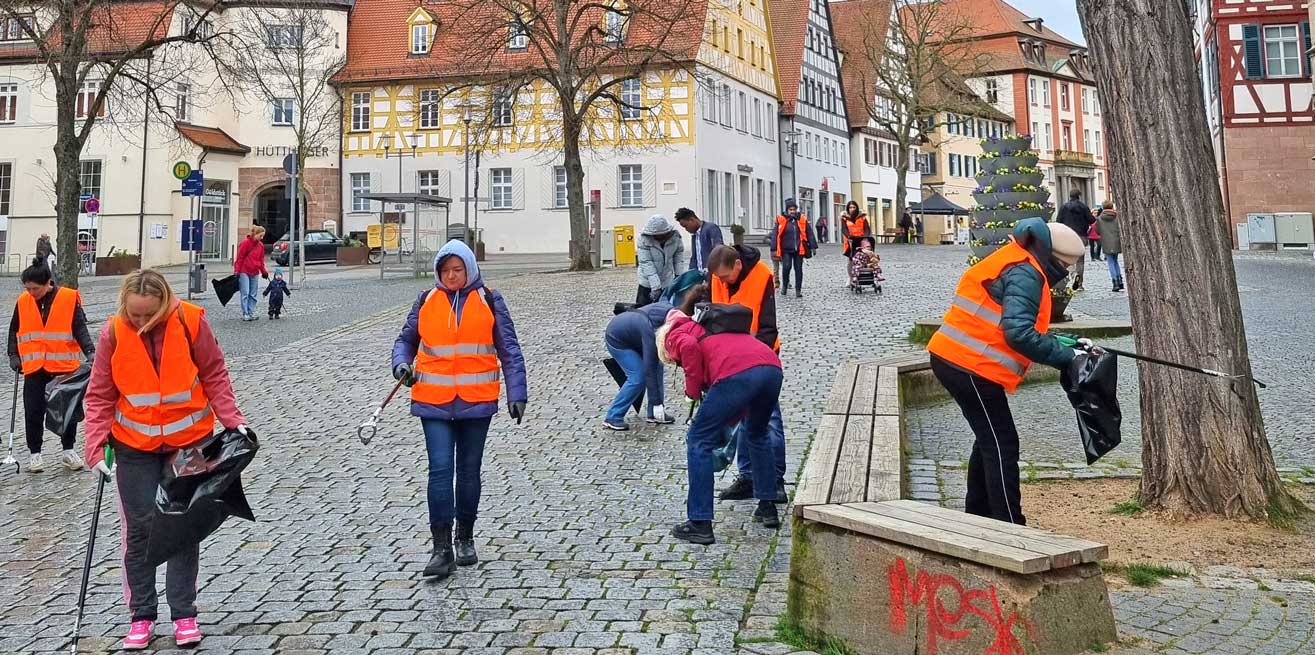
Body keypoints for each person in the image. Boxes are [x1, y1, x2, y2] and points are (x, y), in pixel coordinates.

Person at [83, 269, 249, 650]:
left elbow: (214, 374)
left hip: (188, 442)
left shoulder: (192, 321)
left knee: (181, 527)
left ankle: (184, 613)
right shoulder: (112, 332)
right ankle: (141, 615)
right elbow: (100, 394)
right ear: (125, 304)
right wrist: (95, 447)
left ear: (165, 304)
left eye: (149, 315)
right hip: (133, 446)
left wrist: (233, 421)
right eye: (135, 314)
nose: (141, 322)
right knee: (140, 530)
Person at [926, 219, 1086, 525]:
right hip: (969, 364)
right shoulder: (1027, 272)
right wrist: (1067, 358)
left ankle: (978, 514)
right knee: (1002, 442)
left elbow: (1013, 321)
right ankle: (1009, 524)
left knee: (987, 438)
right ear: (1054, 258)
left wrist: (1063, 343)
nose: (1065, 274)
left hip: (958, 358)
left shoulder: (1018, 258)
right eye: (1066, 266)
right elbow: (1019, 333)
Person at [391, 240, 527, 580]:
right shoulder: (425, 300)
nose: (452, 276)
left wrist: (517, 392)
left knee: (468, 472)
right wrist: (401, 365)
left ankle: (464, 536)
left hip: (475, 400)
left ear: (469, 269)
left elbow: (509, 349)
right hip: (432, 400)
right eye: (446, 270)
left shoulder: (490, 300)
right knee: (439, 470)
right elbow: (406, 340)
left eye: (458, 269)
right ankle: (441, 549)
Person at [659, 299, 783, 545]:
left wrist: (691, 394)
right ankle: (768, 506)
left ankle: (699, 522)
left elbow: (690, 348)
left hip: (737, 373)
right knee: (757, 433)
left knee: (698, 440)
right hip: (771, 367)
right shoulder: (711, 329)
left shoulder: (676, 334)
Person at [704, 245, 787, 504]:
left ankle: (774, 481)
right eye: (719, 278)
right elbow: (709, 316)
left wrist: (754, 361)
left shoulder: (762, 275)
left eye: (726, 277)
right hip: (729, 360)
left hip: (760, 357)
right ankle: (749, 477)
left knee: (767, 419)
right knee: (741, 420)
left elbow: (767, 325)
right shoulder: (716, 276)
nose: (723, 282)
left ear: (738, 265)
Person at [7, 259, 95, 472]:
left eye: (34, 288)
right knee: (33, 410)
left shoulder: (68, 298)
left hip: (63, 365)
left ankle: (68, 451)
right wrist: (13, 355)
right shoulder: (23, 301)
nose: (31, 292)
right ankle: (35, 454)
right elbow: (14, 330)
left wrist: (91, 353)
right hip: (34, 366)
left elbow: (79, 328)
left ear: (48, 283)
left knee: (67, 410)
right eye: (27, 288)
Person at [603, 301, 674, 431]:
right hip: (617, 340)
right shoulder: (650, 330)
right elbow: (649, 367)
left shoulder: (671, 314)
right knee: (638, 377)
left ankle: (654, 413)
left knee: (658, 366)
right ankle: (613, 416)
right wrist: (657, 402)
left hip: (634, 336)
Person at [636, 215, 687, 307]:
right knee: (642, 310)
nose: (657, 237)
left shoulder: (675, 238)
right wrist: (655, 287)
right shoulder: (643, 240)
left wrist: (679, 278)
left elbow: (678, 259)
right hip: (647, 283)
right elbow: (646, 263)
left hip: (667, 280)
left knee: (666, 310)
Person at [773, 198, 815, 298]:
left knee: (798, 269)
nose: (792, 211)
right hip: (785, 249)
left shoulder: (801, 219)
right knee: (786, 267)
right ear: (787, 210)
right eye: (790, 209)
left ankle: (798, 290)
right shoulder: (781, 219)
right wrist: (773, 248)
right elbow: (775, 234)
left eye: (794, 209)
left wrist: (813, 246)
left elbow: (809, 233)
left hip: (799, 249)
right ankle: (785, 284)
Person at [1057, 189, 1094, 291]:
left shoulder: (1064, 207)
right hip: (1081, 236)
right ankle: (1080, 283)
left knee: (1068, 259)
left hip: (1067, 235)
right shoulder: (1083, 207)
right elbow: (1091, 220)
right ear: (1079, 196)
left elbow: (1058, 221)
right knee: (1080, 261)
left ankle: (1073, 274)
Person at [234, 226, 269, 321]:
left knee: (253, 293)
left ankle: (251, 312)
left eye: (263, 236)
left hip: (255, 271)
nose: (262, 238)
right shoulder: (245, 243)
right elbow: (240, 257)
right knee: (245, 292)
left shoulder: (260, 246)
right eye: (261, 236)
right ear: (255, 234)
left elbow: (261, 260)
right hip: (244, 271)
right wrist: (237, 270)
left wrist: (264, 272)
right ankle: (245, 313)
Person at [675, 207, 723, 272]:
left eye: (686, 226)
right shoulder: (695, 235)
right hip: (700, 275)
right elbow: (694, 257)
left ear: (692, 220)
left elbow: (718, 250)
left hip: (712, 273)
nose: (686, 229)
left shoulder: (711, 228)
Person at [1097, 201, 1123, 292]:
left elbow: (1097, 231)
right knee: (1115, 261)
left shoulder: (1100, 218)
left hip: (1106, 242)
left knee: (1110, 262)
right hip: (1116, 241)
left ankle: (1115, 282)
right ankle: (1120, 280)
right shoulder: (1117, 217)